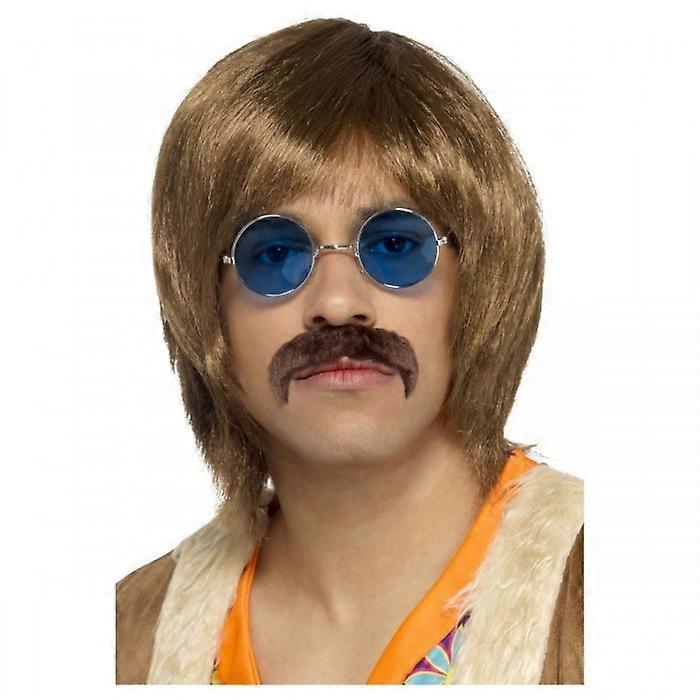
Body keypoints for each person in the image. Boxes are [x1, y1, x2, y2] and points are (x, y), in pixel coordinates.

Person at [115, 17, 584, 685]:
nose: (337, 302)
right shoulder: (126, 636)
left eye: (394, 245)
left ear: (477, 281)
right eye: (274, 253)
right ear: (207, 305)